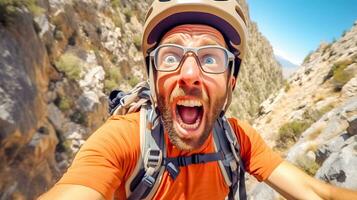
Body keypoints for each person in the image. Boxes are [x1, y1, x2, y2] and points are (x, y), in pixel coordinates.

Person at [40, 0, 357, 199]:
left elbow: (318, 192)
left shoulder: (237, 139)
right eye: (171, 55)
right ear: (153, 78)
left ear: (230, 83)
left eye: (210, 58)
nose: (189, 73)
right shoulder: (124, 140)